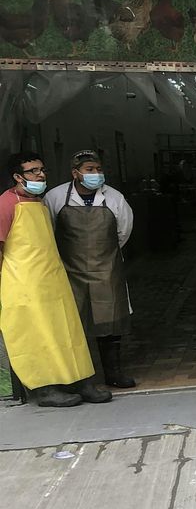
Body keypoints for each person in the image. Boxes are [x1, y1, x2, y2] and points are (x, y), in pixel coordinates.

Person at [0, 152, 108, 407]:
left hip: (53, 279)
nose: (40, 175)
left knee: (67, 331)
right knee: (37, 335)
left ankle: (79, 380)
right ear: (17, 176)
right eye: (33, 171)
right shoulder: (5, 205)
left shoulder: (39, 203)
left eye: (42, 170)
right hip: (24, 285)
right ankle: (45, 388)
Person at [45, 150, 136, 388]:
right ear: (75, 173)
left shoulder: (114, 198)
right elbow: (49, 232)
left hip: (107, 270)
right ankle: (81, 378)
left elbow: (123, 232)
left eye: (98, 169)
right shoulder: (55, 197)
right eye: (89, 170)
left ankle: (113, 374)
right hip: (69, 271)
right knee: (74, 323)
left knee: (110, 322)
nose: (96, 174)